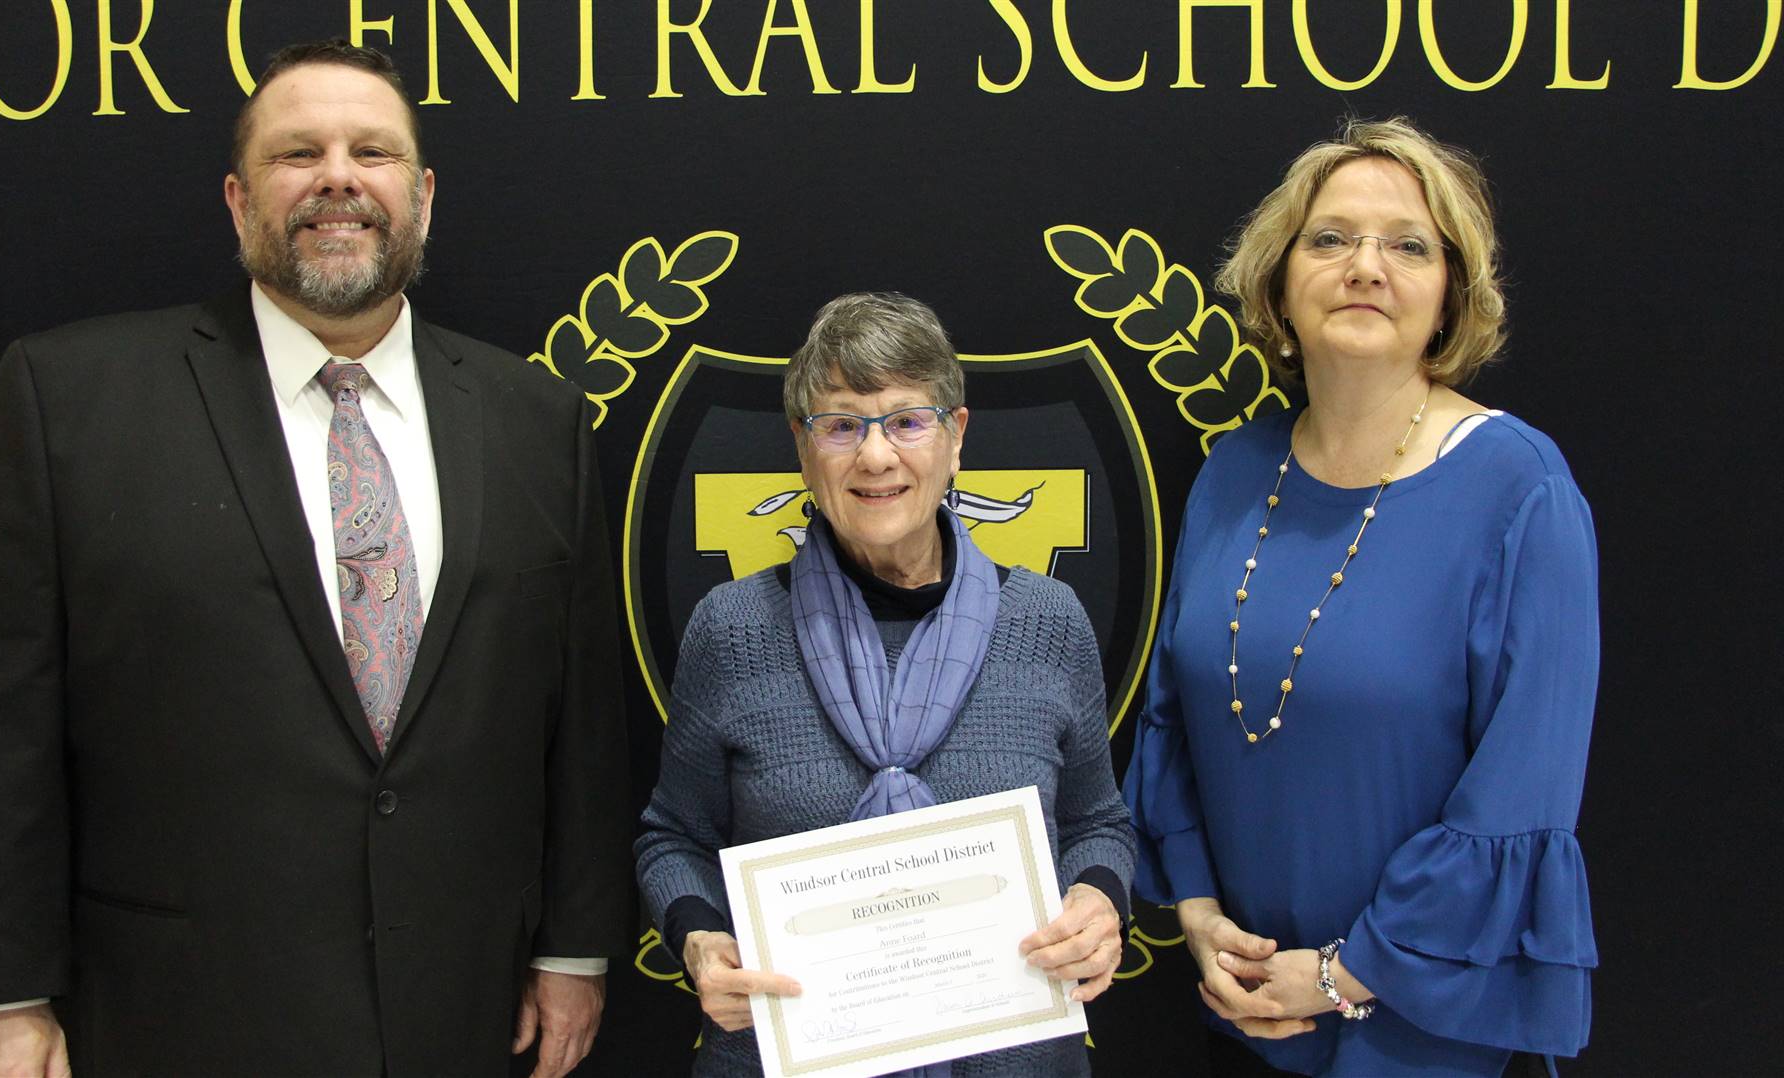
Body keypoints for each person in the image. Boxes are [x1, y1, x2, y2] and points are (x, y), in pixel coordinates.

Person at [0, 40, 630, 1077]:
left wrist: (571, 945)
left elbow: (579, 717)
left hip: (458, 1007)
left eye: (370, 150)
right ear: (240, 202)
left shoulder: (534, 417)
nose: (339, 174)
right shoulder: (70, 399)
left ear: (421, 196)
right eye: (300, 153)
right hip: (173, 1014)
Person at [1123, 117, 1598, 1076]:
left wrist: (1348, 974)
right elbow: (1175, 717)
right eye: (1330, 238)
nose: (1365, 267)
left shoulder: (1520, 489)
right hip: (1247, 1007)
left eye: (1407, 246)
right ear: (1279, 279)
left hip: (1420, 1025)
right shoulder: (1231, 472)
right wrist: (1202, 916)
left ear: (1450, 294)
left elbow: (1522, 788)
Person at [635, 292, 1136, 1076]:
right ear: (803, 449)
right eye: (840, 425)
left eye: (907, 420)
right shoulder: (731, 630)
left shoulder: (1048, 620)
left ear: (955, 437)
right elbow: (674, 837)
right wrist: (700, 937)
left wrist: (1099, 901)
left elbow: (1097, 822)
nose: (876, 457)